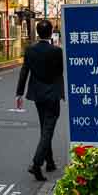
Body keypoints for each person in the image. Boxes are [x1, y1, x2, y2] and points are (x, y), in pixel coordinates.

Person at [15, 19, 64, 182]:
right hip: (52, 95)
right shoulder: (56, 52)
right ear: (51, 33)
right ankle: (37, 163)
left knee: (45, 128)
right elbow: (60, 73)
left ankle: (49, 162)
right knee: (48, 129)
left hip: (37, 95)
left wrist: (19, 93)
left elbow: (24, 72)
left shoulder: (30, 50)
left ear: (37, 33)